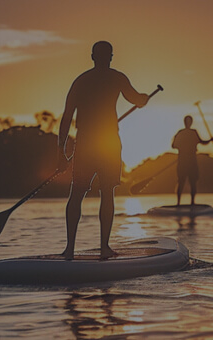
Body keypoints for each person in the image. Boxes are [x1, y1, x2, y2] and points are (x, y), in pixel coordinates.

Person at [57, 41, 153, 259]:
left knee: (77, 193)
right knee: (107, 192)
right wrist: (144, 99)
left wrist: (60, 153)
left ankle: (70, 249)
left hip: (87, 142)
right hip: (108, 142)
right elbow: (137, 99)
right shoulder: (117, 78)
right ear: (110, 57)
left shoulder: (81, 81)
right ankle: (104, 247)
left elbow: (66, 118)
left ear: (92, 56)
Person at [171, 115, 213, 206]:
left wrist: (209, 140)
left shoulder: (193, 132)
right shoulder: (180, 133)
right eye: (187, 122)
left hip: (192, 162)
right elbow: (173, 145)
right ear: (185, 122)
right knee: (181, 182)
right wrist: (183, 148)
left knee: (193, 182)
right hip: (183, 162)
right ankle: (178, 203)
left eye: (189, 122)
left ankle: (192, 203)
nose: (188, 123)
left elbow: (202, 142)